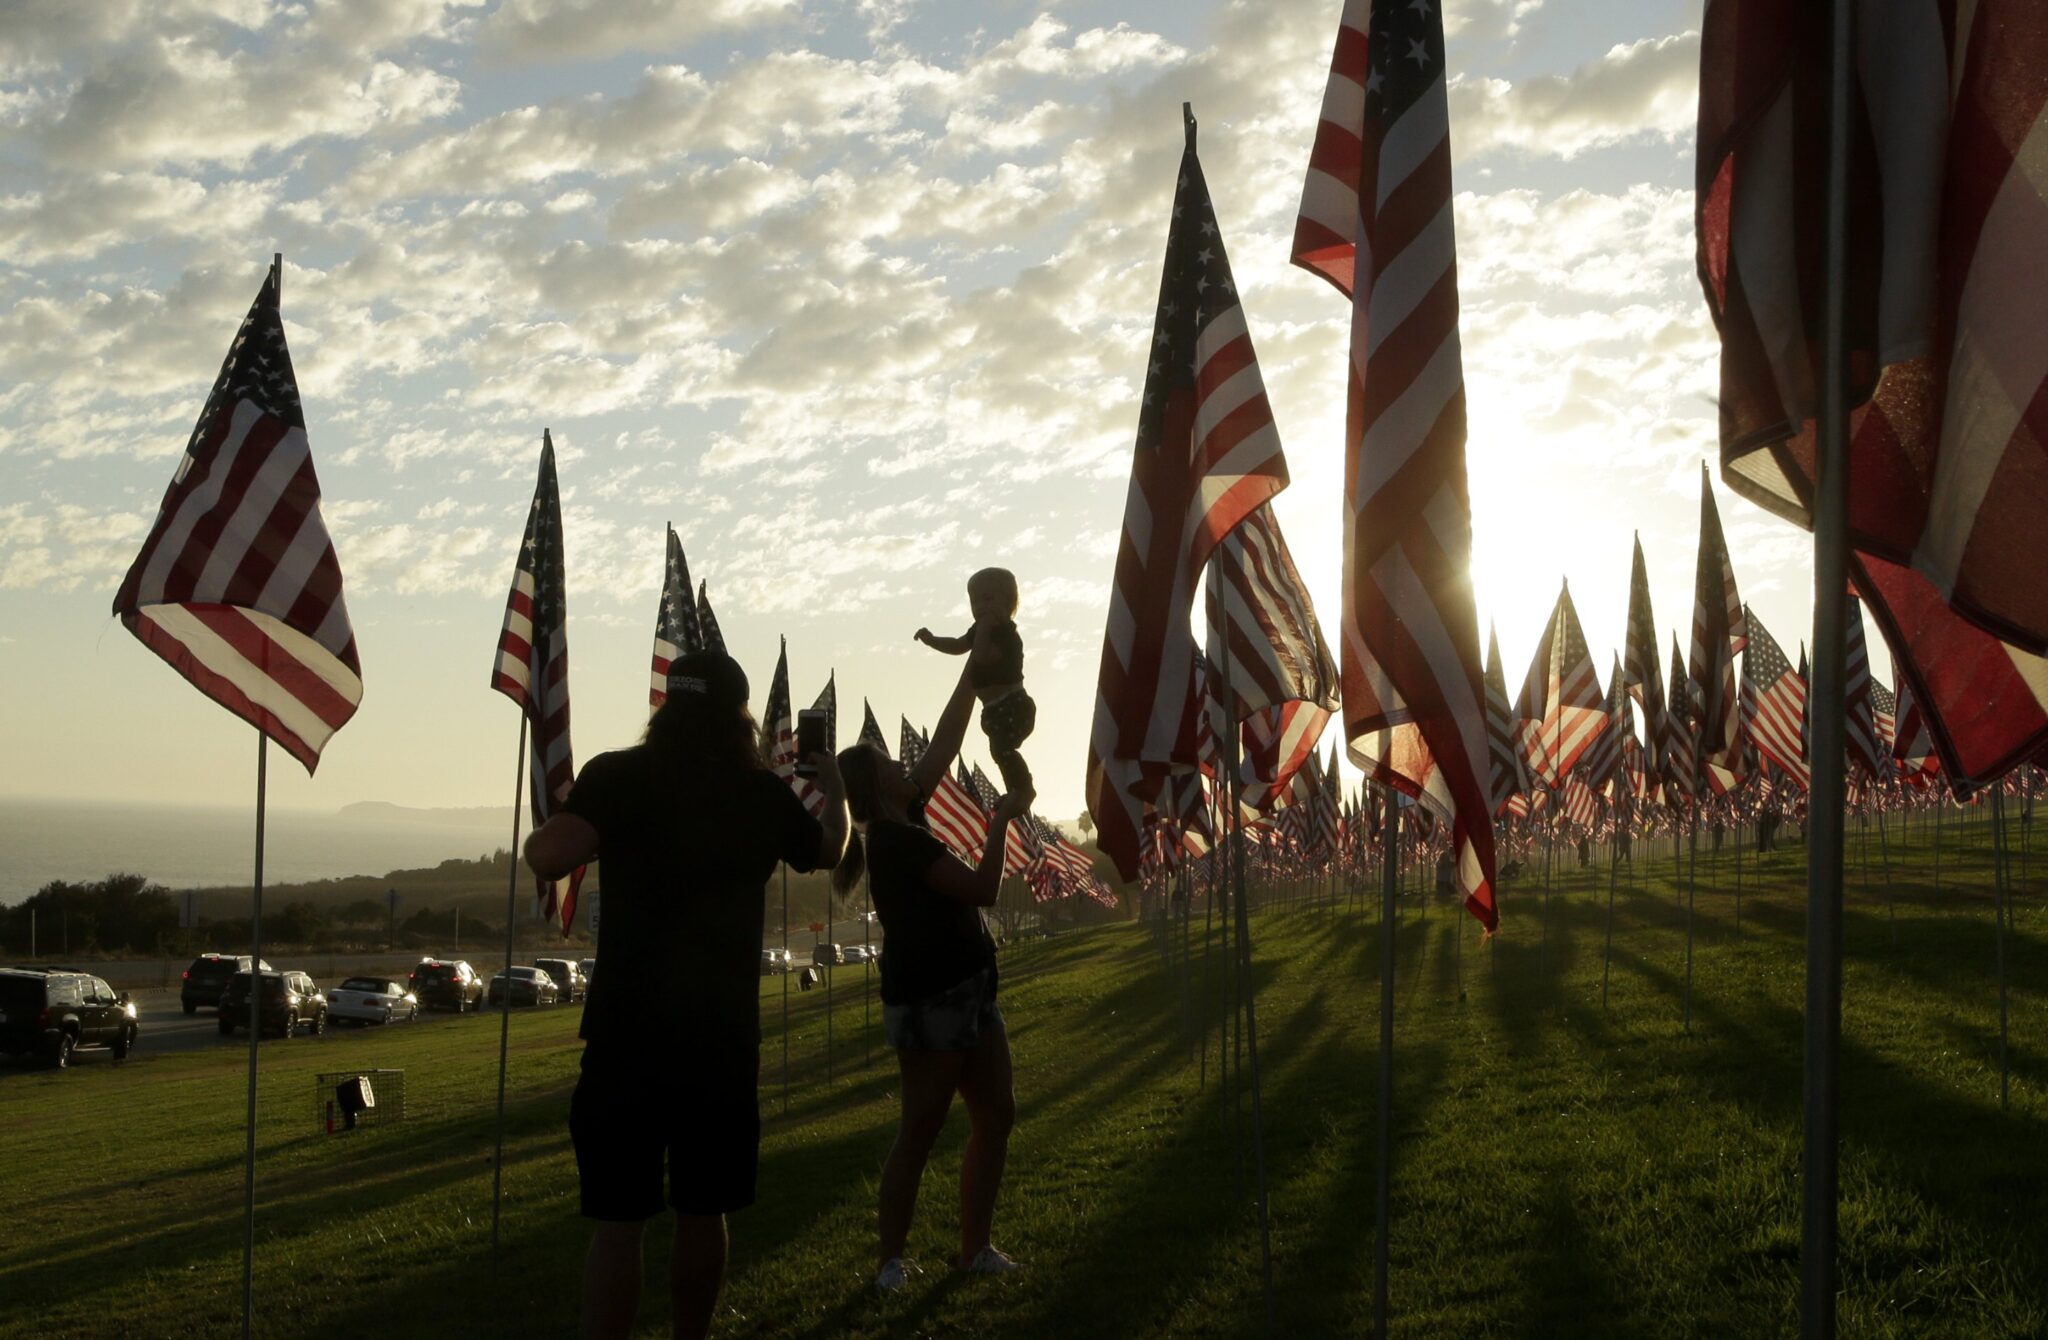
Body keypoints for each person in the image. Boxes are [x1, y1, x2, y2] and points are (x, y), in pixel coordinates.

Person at [525, 650, 848, 1340]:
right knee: (705, 1211)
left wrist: (563, 821)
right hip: (719, 1038)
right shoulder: (759, 792)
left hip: (626, 1034)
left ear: (666, 706)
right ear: (738, 717)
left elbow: (550, 856)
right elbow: (828, 849)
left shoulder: (618, 776)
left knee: (619, 1222)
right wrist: (837, 787)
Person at [833, 660, 1031, 1293]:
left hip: (971, 990)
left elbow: (947, 740)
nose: (903, 763)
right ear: (877, 784)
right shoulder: (896, 841)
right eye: (889, 762)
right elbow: (982, 889)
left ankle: (976, 1250)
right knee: (920, 1129)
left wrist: (974, 675)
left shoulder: (903, 816)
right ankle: (890, 1262)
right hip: (932, 1000)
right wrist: (1000, 820)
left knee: (996, 1114)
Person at [915, 566, 1035, 800]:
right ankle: (1014, 789)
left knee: (1003, 749)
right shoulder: (980, 630)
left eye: (988, 599)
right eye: (975, 601)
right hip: (993, 711)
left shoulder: (1006, 636)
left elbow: (980, 657)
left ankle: (1022, 788)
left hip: (1013, 707)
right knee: (998, 752)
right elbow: (959, 645)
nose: (981, 607)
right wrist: (932, 641)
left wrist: (985, 629)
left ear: (1009, 602)